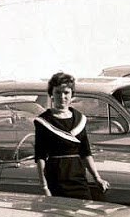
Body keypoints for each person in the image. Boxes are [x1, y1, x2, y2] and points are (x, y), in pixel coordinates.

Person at [34, 72, 111, 200]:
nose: (62, 97)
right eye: (58, 92)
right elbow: (40, 157)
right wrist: (44, 188)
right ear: (51, 94)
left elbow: (86, 152)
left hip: (78, 176)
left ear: (72, 94)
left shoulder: (80, 119)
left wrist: (97, 178)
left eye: (66, 93)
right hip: (56, 177)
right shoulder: (43, 121)